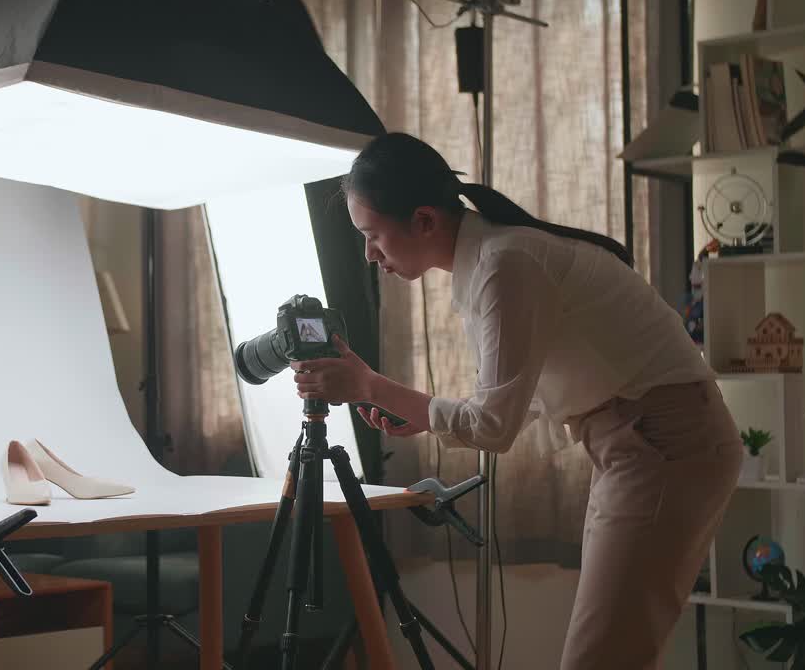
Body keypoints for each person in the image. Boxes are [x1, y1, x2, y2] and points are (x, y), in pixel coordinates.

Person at [290, 133, 742, 670]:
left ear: (426, 220)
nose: (370, 253)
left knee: (601, 659)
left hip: (664, 444)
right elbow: (518, 399)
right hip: (644, 442)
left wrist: (369, 386)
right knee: (611, 654)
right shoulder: (496, 258)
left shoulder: (505, 265)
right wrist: (414, 411)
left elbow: (493, 427)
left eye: (372, 235)